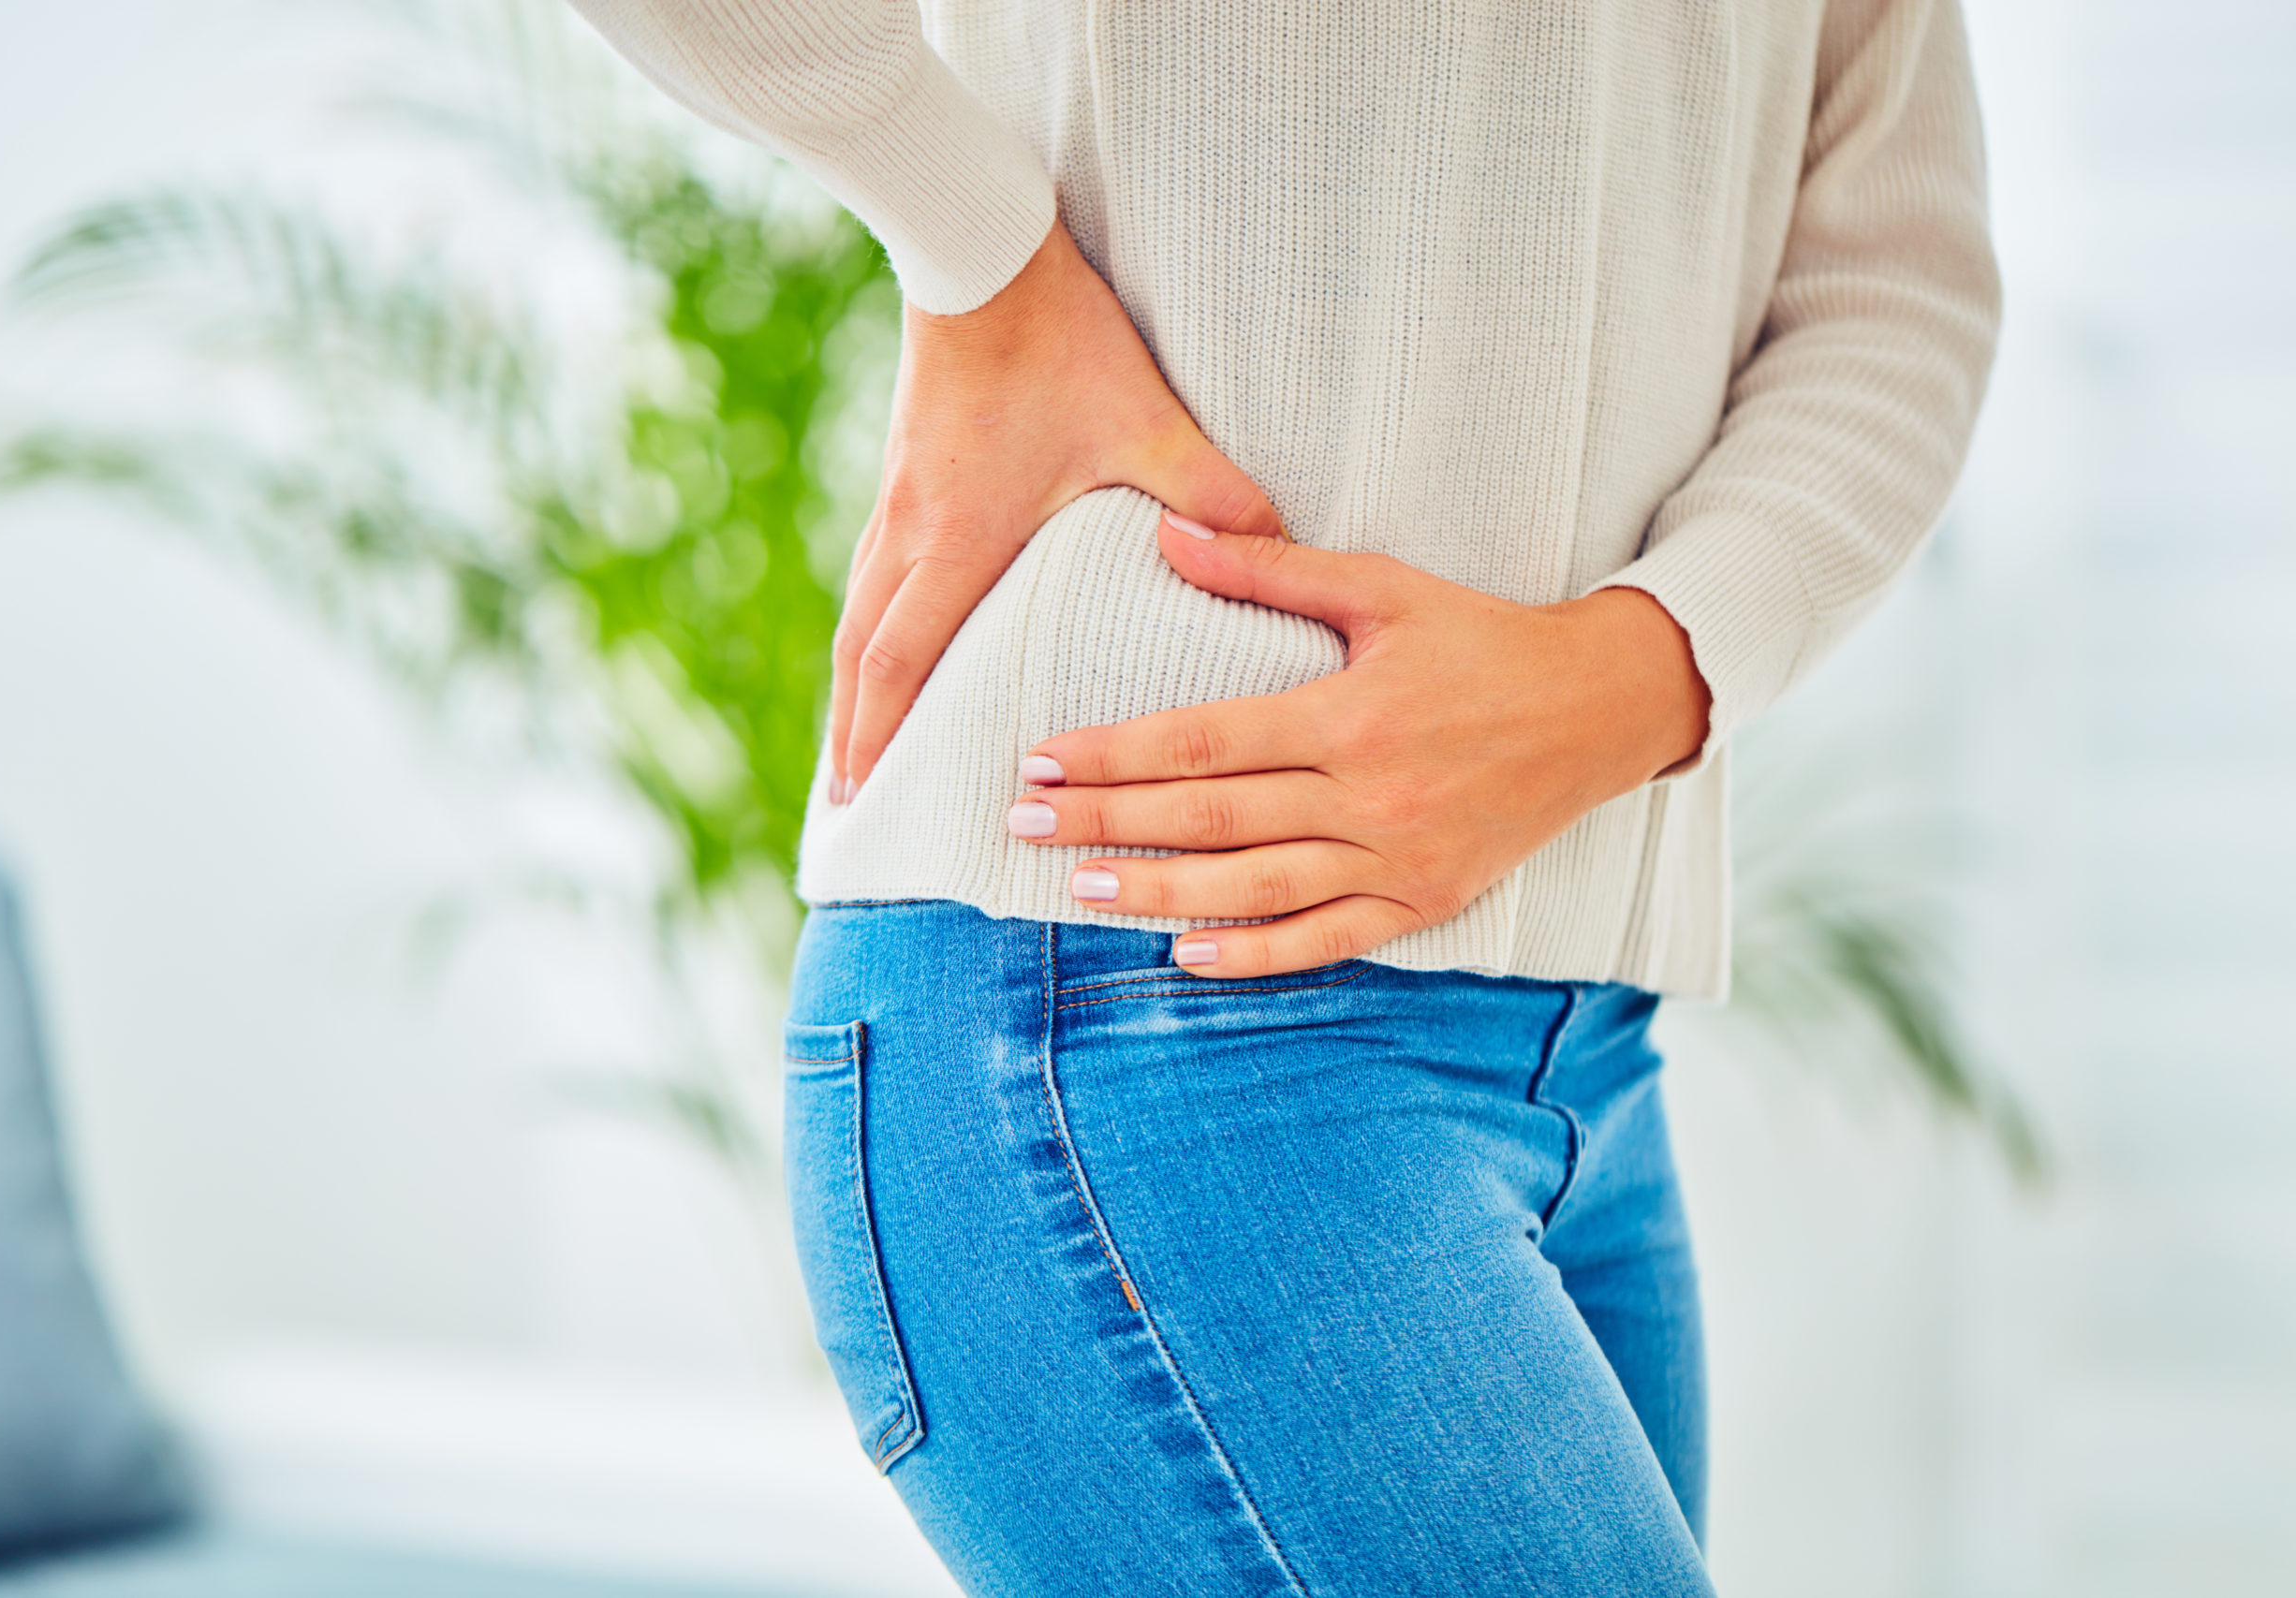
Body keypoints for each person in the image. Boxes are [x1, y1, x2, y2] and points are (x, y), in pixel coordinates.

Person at [570, 2, 1999, 1592]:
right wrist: (979, 244)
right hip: (1138, 998)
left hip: (1589, 1054)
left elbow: (1898, 279)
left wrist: (1644, 668)